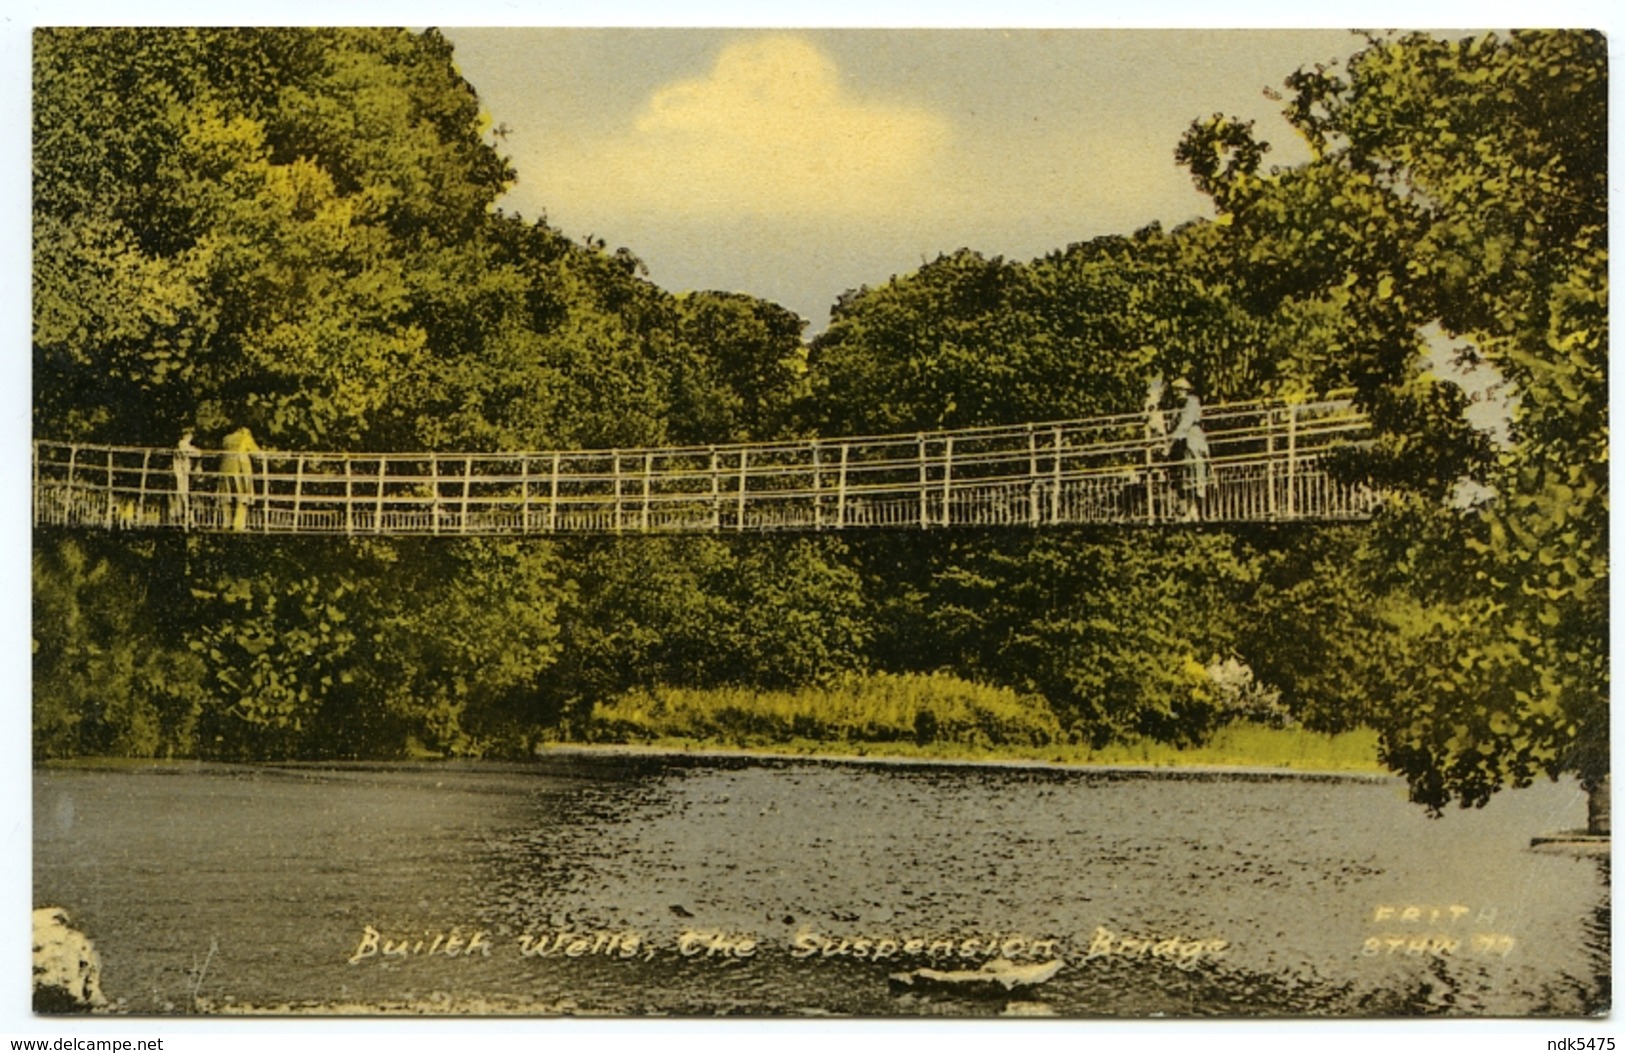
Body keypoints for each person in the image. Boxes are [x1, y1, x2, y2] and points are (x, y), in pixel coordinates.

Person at [1166, 377, 1211, 520]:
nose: (1177, 393)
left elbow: (1185, 424)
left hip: (1193, 440)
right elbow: (1173, 425)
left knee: (1196, 476)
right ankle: (1190, 512)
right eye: (1175, 391)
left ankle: (1197, 512)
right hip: (1182, 445)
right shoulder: (1178, 406)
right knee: (1185, 477)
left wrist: (1171, 441)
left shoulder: (1192, 403)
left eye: (1179, 390)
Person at [220, 425, 260, 530]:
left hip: (225, 469)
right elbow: (256, 453)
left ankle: (226, 523)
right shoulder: (245, 438)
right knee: (243, 497)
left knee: (226, 497)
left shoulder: (226, 439)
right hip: (241, 469)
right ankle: (239, 525)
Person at [172, 428, 199, 529]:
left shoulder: (183, 445)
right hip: (181, 474)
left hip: (183, 474)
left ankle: (187, 520)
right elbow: (197, 452)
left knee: (185, 496)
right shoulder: (183, 444)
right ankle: (185, 520)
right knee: (183, 496)